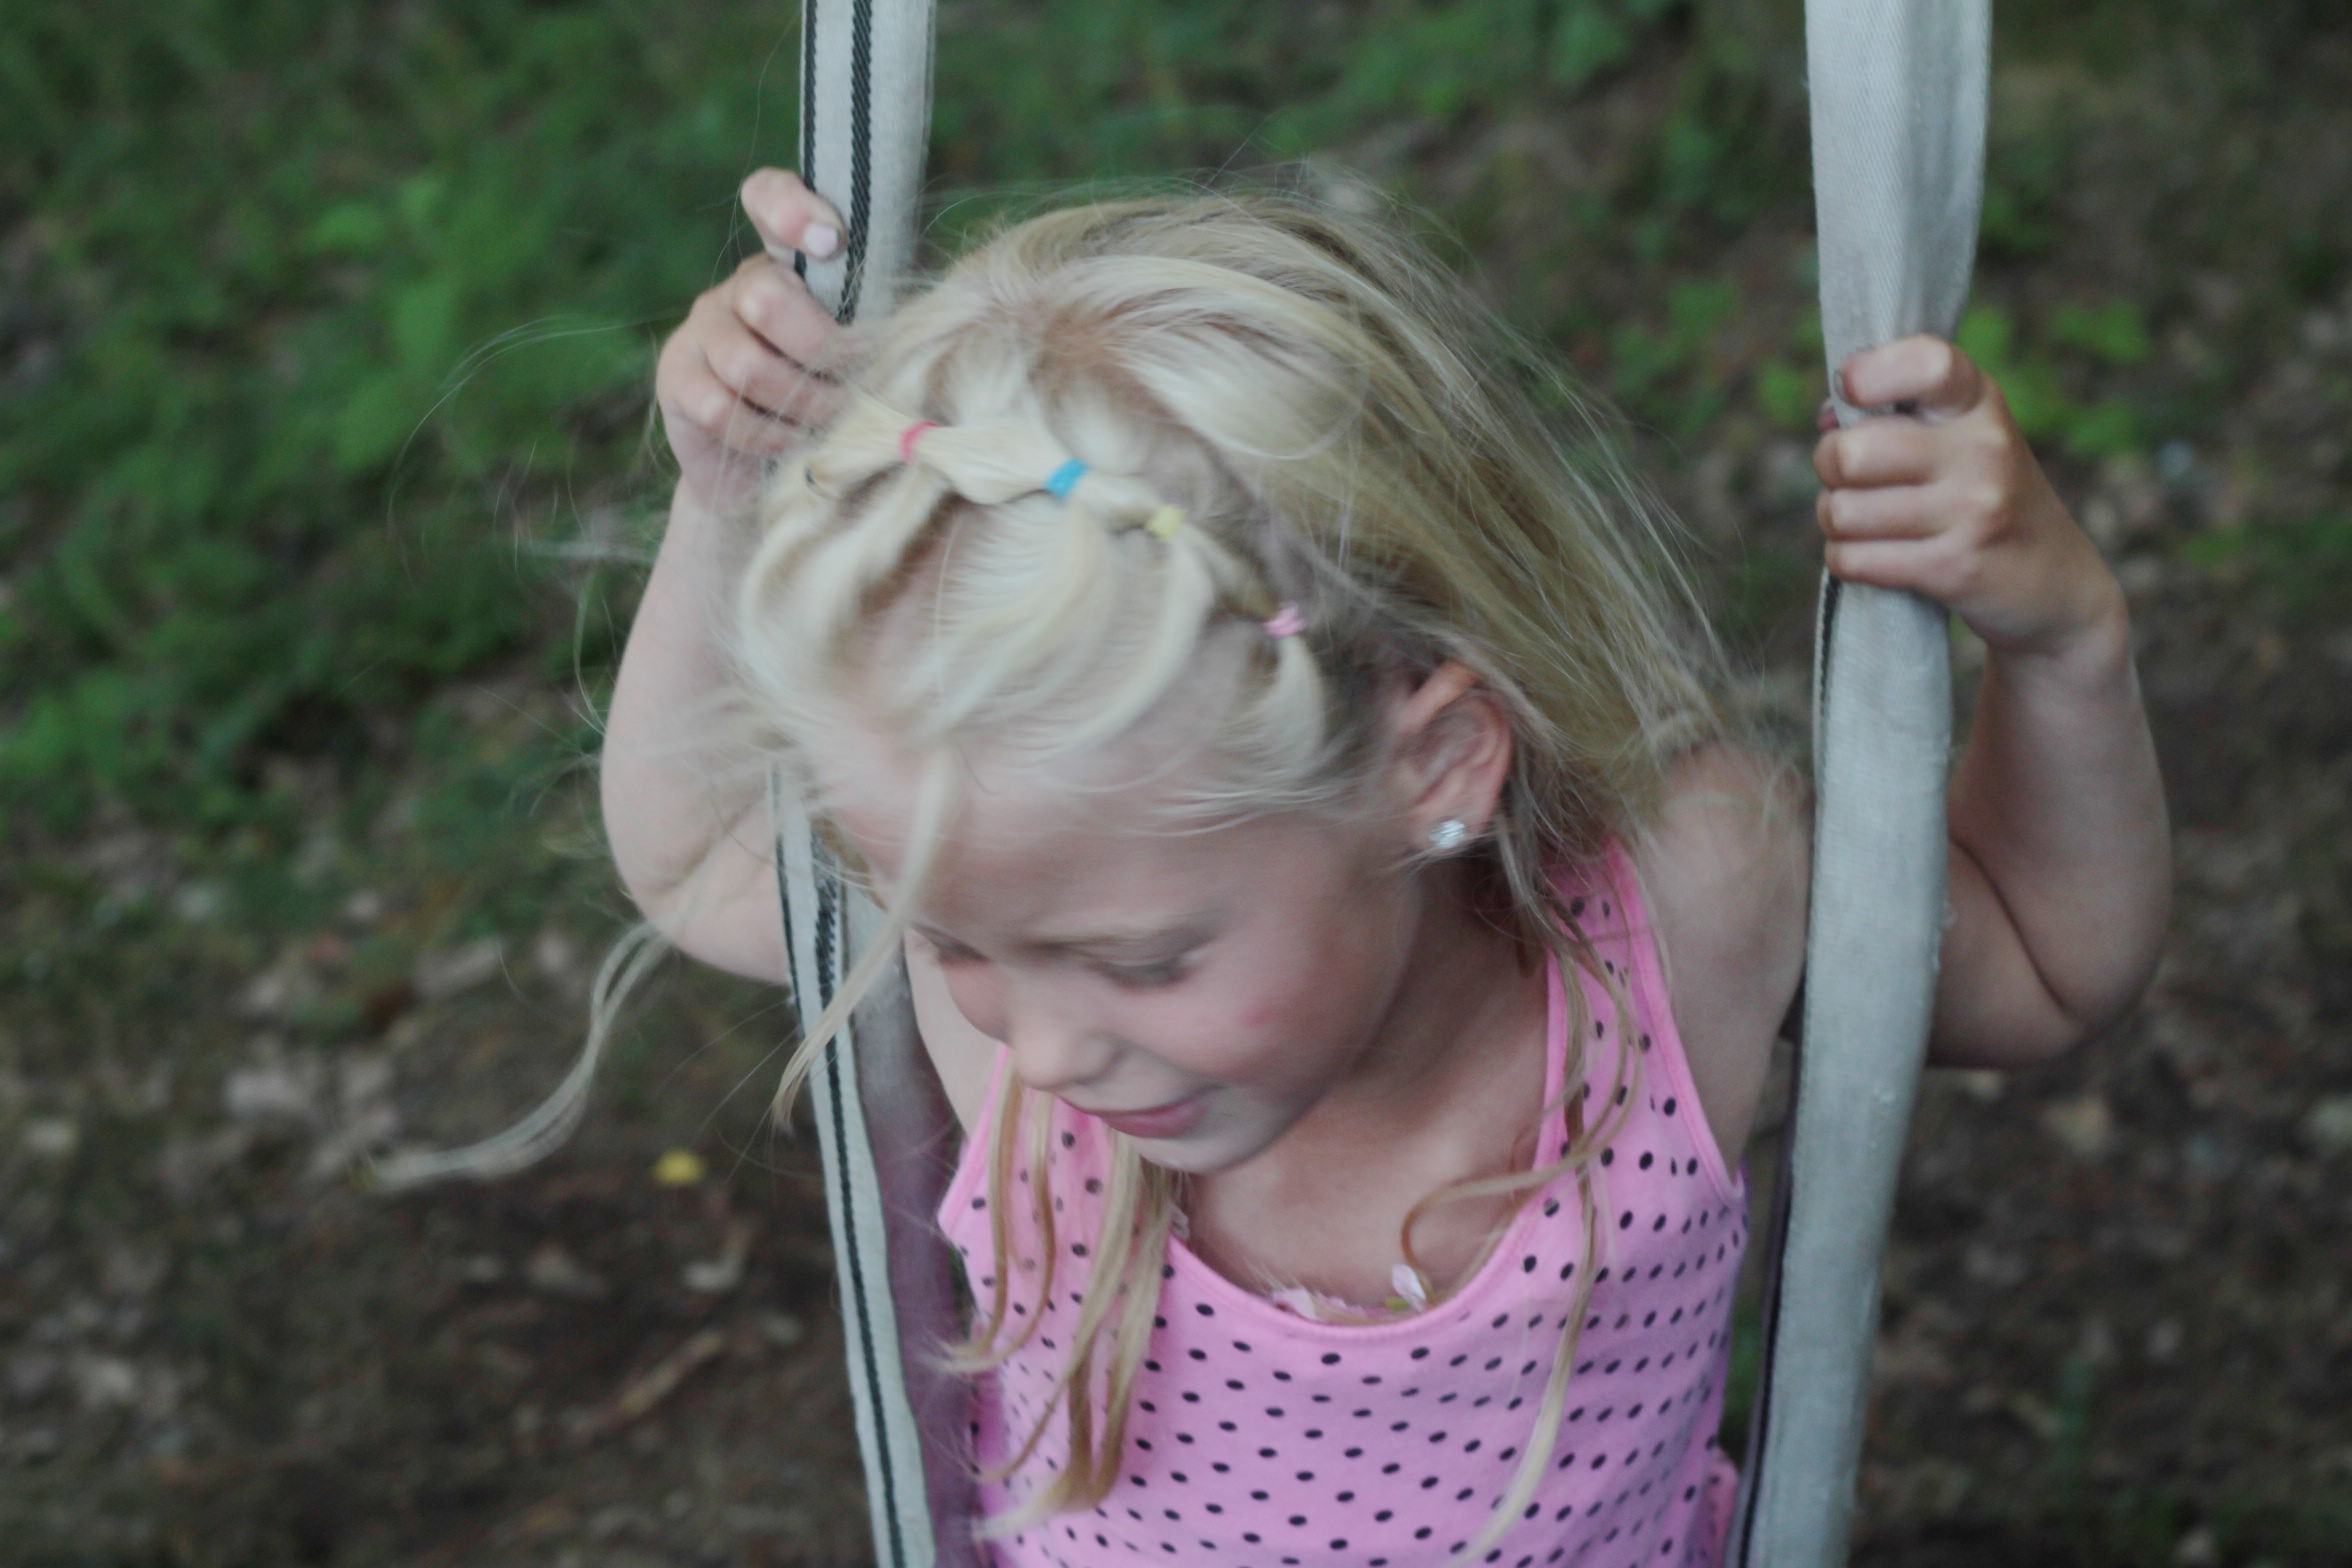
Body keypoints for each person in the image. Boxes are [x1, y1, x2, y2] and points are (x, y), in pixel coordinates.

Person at [603, 167, 2170, 1568]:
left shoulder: (1686, 913)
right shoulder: (1020, 934)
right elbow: (689, 857)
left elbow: (2043, 964)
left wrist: (2065, 648)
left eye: (1148, 960)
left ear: (1434, 767)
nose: (1050, 1048)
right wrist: (725, 492)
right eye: (952, 942)